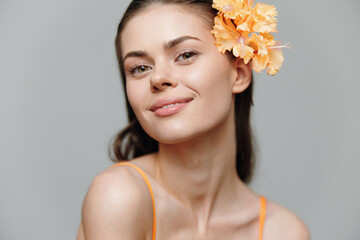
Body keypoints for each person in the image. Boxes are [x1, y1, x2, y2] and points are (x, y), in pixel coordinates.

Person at [77, 0, 310, 239]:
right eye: (139, 68)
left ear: (239, 73)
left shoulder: (283, 232)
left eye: (186, 55)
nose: (157, 78)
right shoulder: (119, 196)